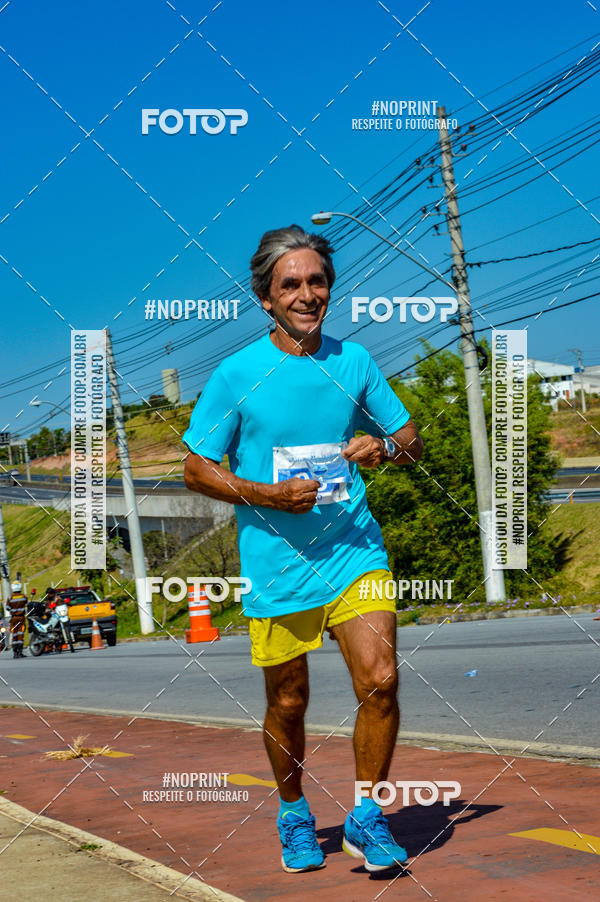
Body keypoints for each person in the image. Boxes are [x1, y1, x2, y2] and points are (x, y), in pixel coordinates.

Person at [183, 225, 423, 875]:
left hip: (354, 549)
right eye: (291, 283)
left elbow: (410, 440)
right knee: (288, 701)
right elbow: (196, 469)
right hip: (277, 561)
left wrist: (384, 447)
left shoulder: (355, 363)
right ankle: (292, 813)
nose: (307, 293)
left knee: (381, 681)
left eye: (316, 281)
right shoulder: (237, 375)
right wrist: (266, 494)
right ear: (265, 297)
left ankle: (367, 816)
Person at [7, 580, 27, 658]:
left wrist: (13, 609)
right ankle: (20, 652)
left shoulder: (10, 597)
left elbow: (7, 608)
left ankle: (15, 653)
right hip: (21, 618)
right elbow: (26, 603)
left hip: (13, 619)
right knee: (20, 635)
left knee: (14, 634)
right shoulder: (23, 596)